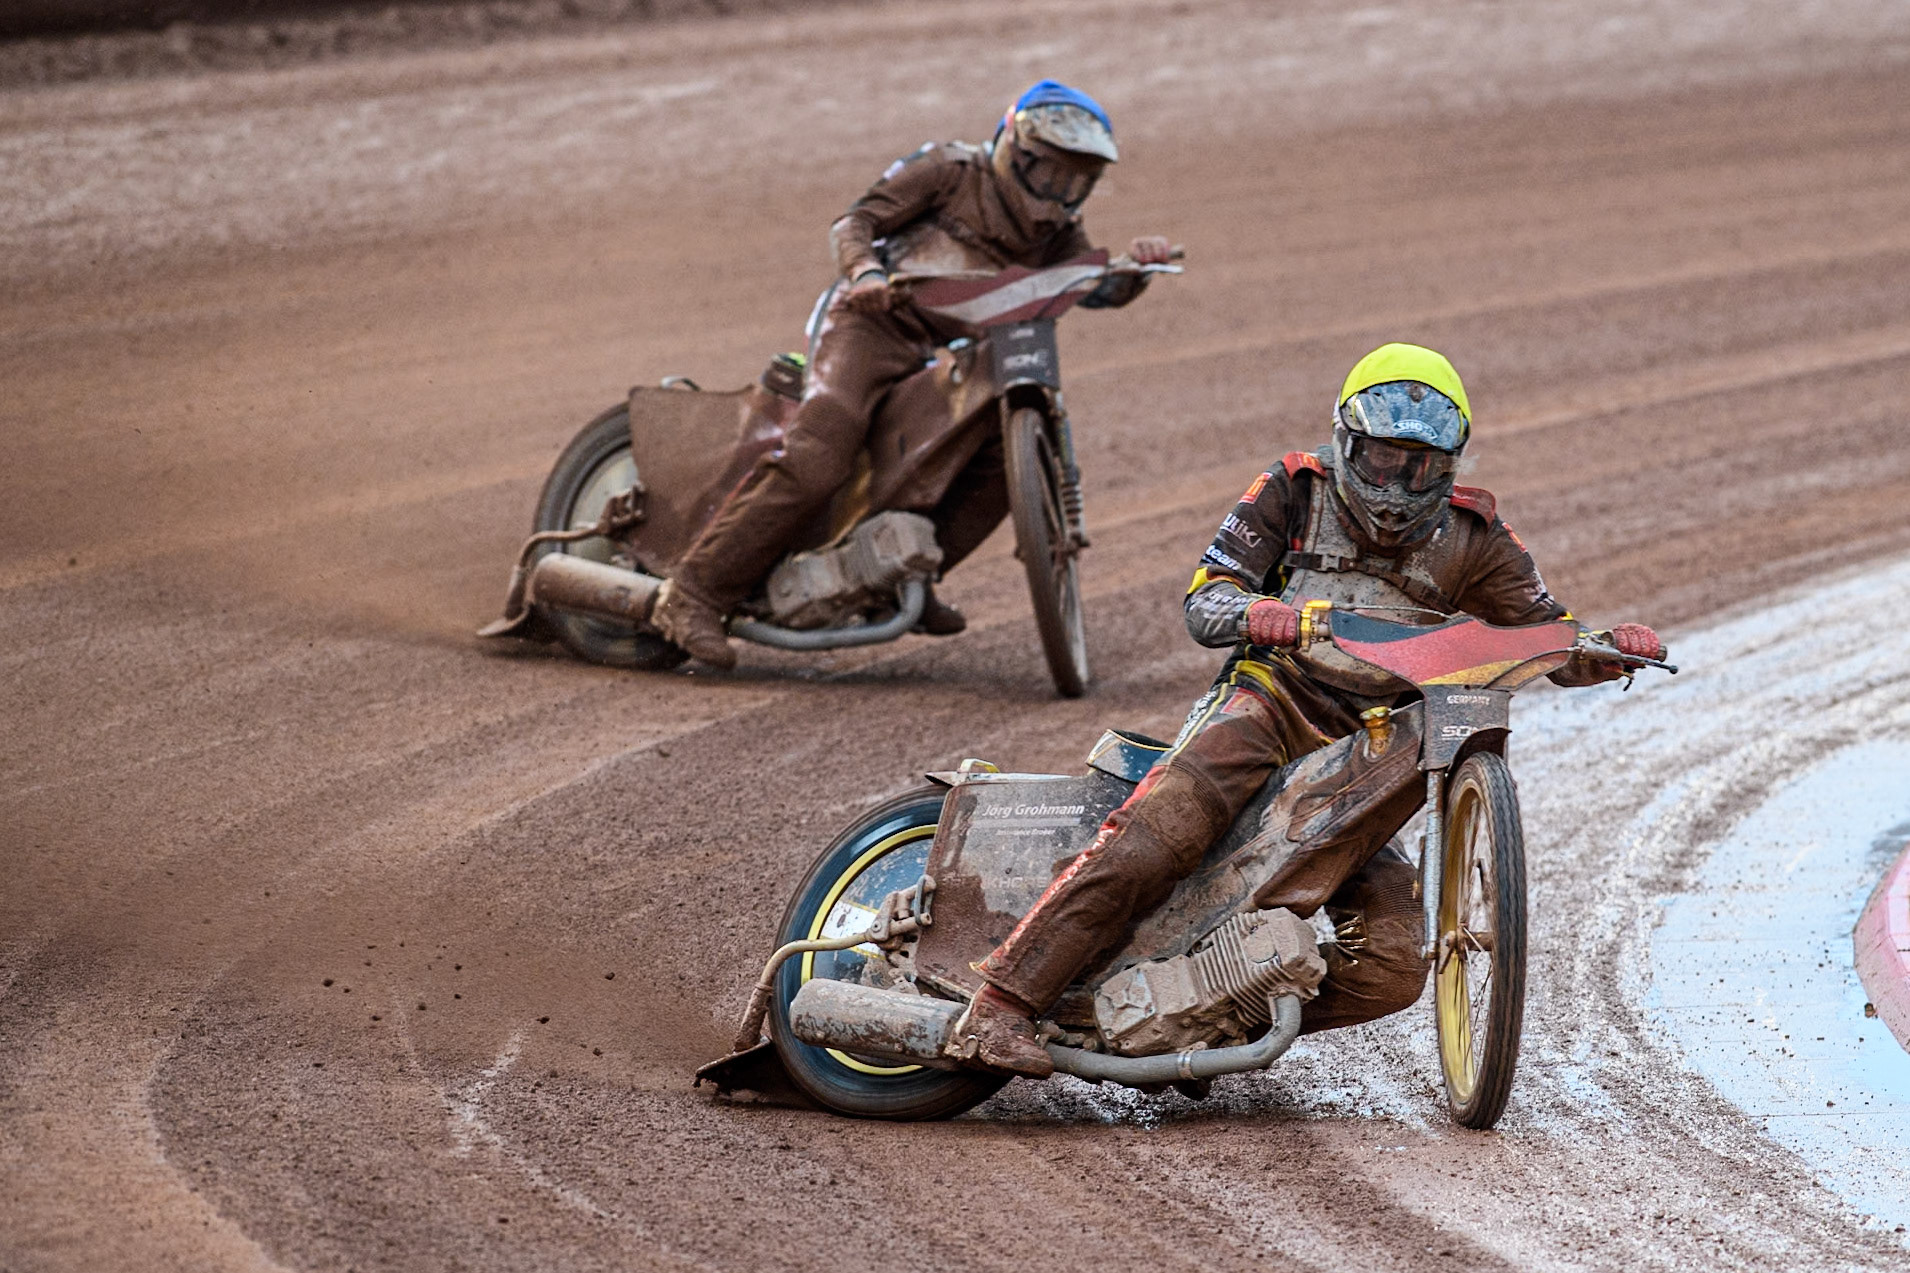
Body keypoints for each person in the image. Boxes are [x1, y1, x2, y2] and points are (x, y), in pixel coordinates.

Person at [948, 342, 1668, 1076]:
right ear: (1347, 441)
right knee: (1155, 834)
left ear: (1449, 466)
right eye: (1382, 460)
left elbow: (1547, 635)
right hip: (1269, 703)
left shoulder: (1476, 538)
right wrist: (1256, 611)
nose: (1395, 484)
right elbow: (1207, 596)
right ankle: (1000, 1004)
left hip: (1369, 757)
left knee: (1393, 964)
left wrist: (1608, 650)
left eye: (1417, 467)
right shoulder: (1293, 489)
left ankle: (1207, 1010)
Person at [650, 80, 1174, 668]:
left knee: (1001, 462)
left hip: (953, 354)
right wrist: (866, 272)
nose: (1060, 195)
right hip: (871, 328)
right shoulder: (948, 171)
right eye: (1052, 174)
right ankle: (694, 591)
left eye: (1077, 182)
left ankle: (907, 579)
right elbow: (855, 223)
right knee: (820, 453)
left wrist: (1136, 272)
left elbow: (1089, 286)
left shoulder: (1057, 234)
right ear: (1015, 151)